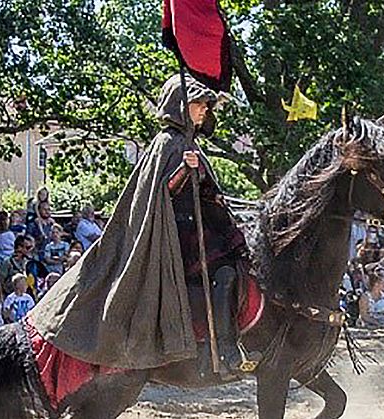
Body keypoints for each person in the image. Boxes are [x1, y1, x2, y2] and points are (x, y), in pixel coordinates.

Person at [29, 74, 249, 375]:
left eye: (205, 106)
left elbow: (207, 194)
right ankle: (225, 350)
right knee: (224, 274)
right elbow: (162, 194)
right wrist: (185, 169)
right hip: (173, 239)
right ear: (181, 106)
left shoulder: (189, 144)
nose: (204, 111)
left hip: (198, 232)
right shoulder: (167, 144)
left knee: (237, 264)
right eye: (199, 104)